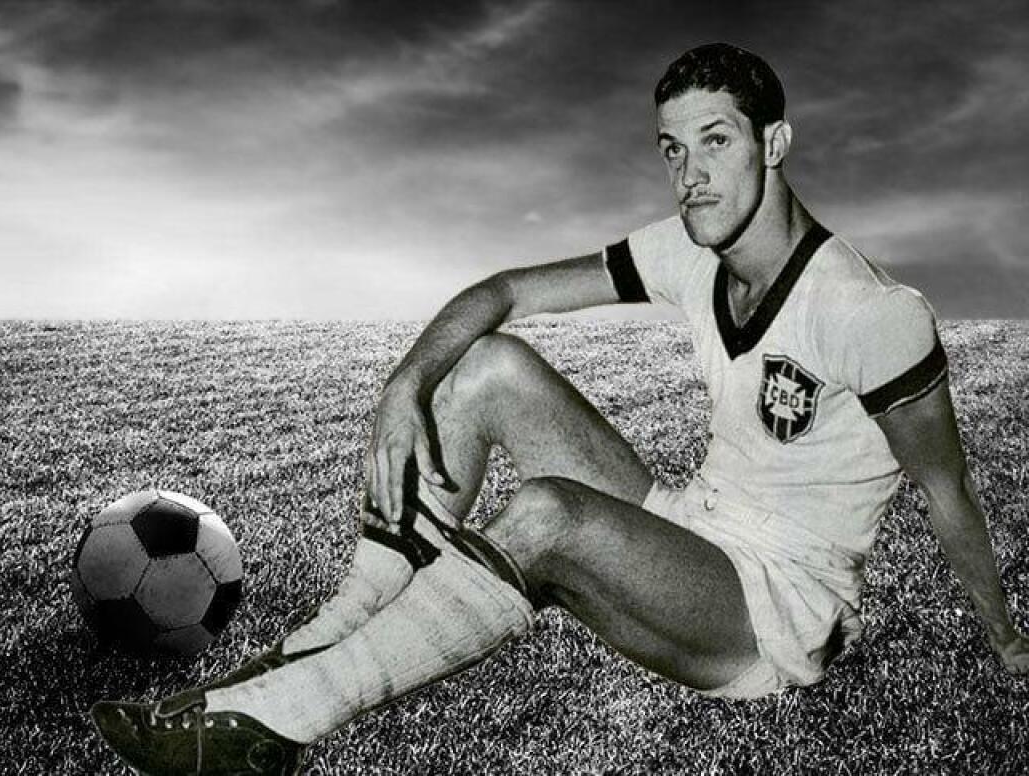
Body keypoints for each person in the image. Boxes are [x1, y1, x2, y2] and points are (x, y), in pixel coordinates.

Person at [91, 42, 1029, 775]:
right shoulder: (691, 250)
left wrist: (1008, 641)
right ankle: (322, 636)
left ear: (774, 144)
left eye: (717, 141)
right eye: (673, 149)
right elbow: (504, 292)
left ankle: (278, 724)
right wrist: (403, 384)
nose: (691, 175)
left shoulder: (871, 312)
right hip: (693, 529)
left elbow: (947, 490)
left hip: (773, 611)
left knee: (547, 515)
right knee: (488, 366)